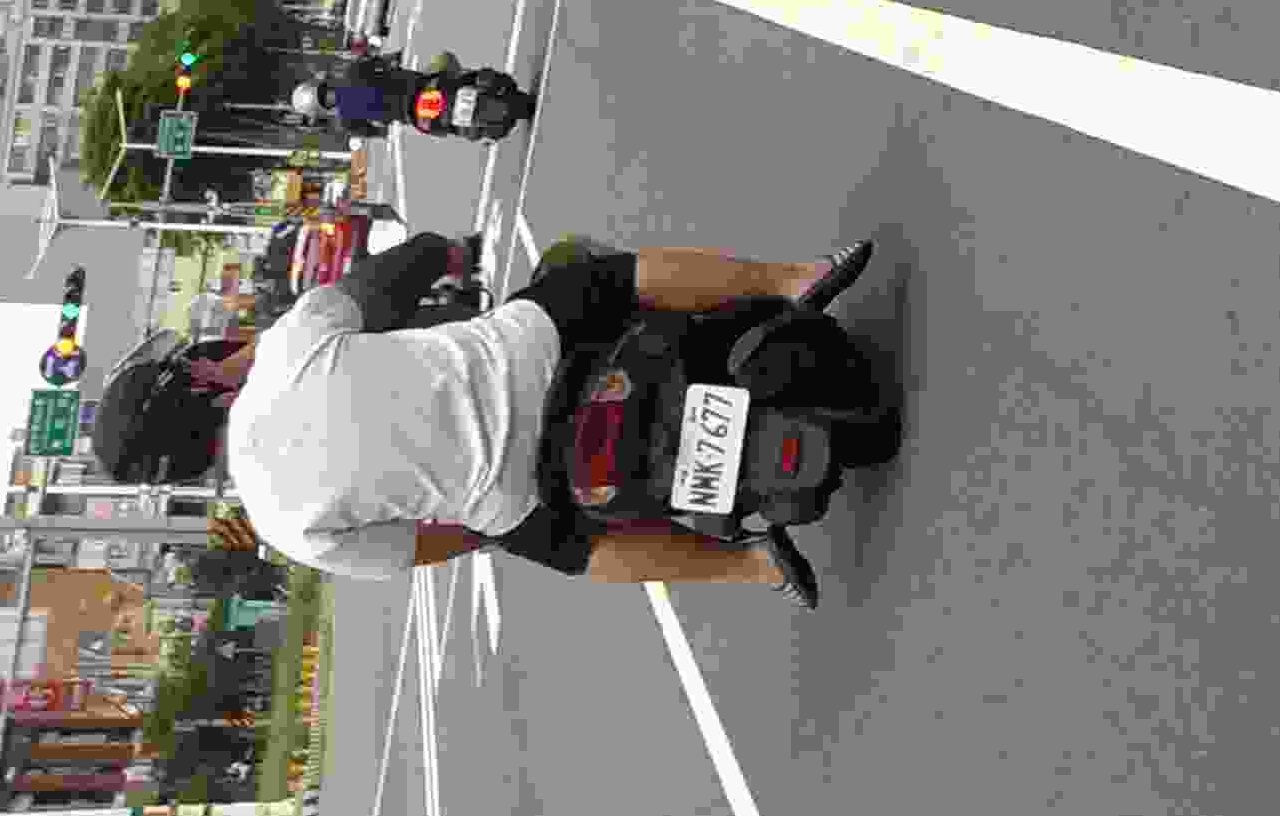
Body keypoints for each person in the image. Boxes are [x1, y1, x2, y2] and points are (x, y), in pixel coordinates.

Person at [165, 225, 878, 605]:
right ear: (207, 384)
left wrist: (489, 522)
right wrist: (442, 251)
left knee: (579, 555)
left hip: (524, 487)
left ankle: (751, 567)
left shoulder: (282, 525)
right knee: (610, 279)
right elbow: (384, 280)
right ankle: (795, 281)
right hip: (527, 350)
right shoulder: (284, 350)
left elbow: (419, 548)